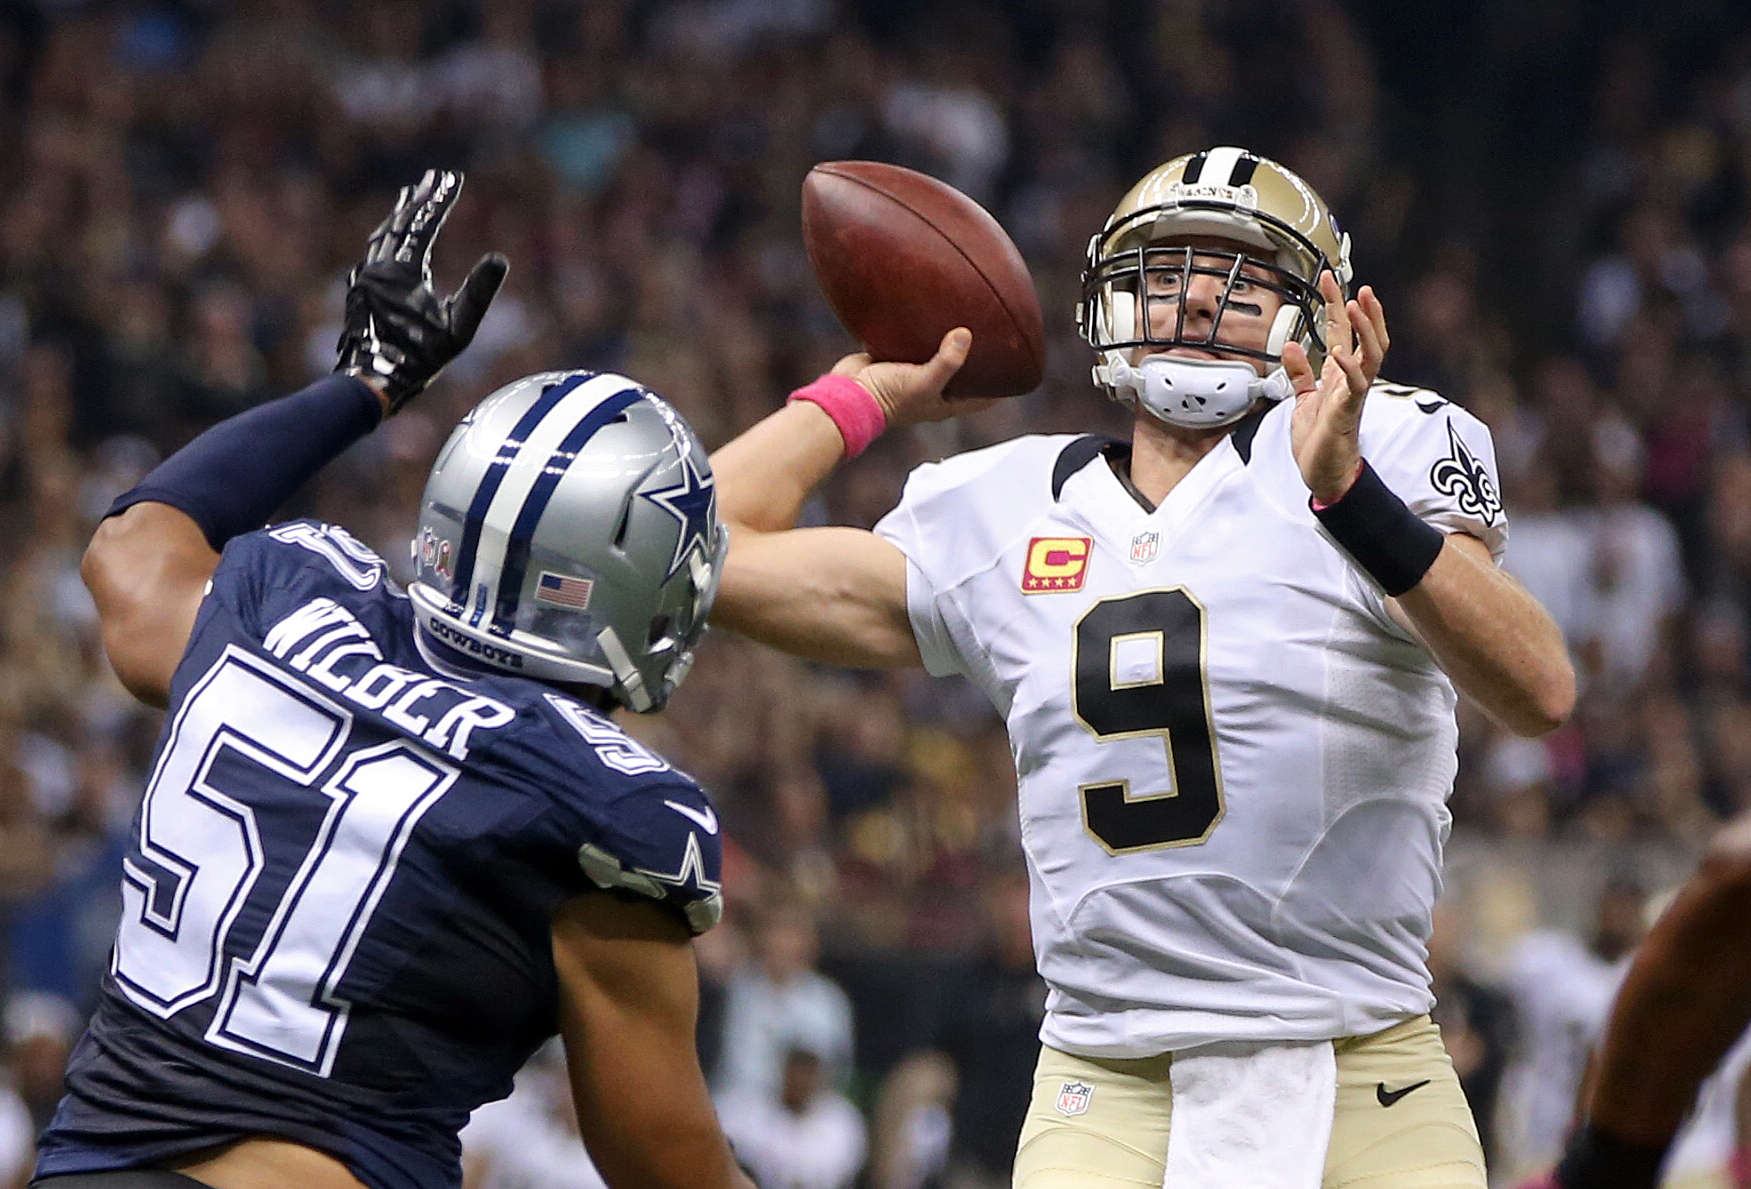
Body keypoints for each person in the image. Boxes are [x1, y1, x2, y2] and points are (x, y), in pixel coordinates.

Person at [709, 146, 1575, 1187]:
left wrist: (1349, 496)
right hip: (1107, 1078)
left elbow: (1537, 689)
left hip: (1359, 1059)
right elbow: (703, 553)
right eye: (1165, 269)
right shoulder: (1000, 506)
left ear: (1321, 313)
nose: (1199, 293)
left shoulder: (1375, 445)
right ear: (1109, 299)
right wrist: (858, 398)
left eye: (1241, 274)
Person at [32, 171, 753, 1189]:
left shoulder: (283, 598)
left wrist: (362, 387)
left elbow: (131, 542)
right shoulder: (603, 806)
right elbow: (667, 1169)